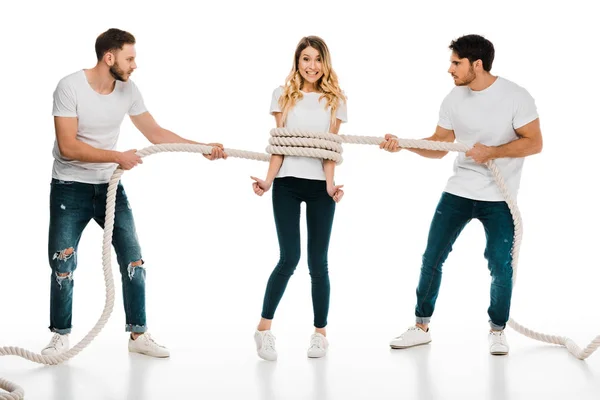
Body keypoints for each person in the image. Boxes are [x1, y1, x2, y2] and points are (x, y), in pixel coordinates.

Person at [42, 28, 226, 358]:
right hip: (70, 188)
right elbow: (68, 147)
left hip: (109, 186)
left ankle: (138, 335)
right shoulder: (69, 87)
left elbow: (155, 132)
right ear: (108, 57)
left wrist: (201, 147)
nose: (134, 65)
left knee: (133, 260)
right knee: (62, 262)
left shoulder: (128, 90)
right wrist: (117, 156)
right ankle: (60, 335)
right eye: (130, 58)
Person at [381, 34, 543, 355]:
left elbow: (534, 142)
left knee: (500, 264)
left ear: (477, 65)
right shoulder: (453, 99)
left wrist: (492, 152)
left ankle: (497, 330)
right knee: (433, 256)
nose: (450, 69)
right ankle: (421, 326)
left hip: (500, 197)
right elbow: (439, 145)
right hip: (459, 191)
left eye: (456, 63)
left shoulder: (516, 96)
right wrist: (404, 144)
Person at [250, 36, 347, 361]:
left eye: (318, 59)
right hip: (288, 185)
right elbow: (280, 144)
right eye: (306, 59)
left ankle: (320, 335)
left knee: (318, 263)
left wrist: (331, 186)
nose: (312, 66)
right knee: (289, 257)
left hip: (320, 188)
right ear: (297, 61)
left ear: (325, 63)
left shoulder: (336, 99)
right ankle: (263, 330)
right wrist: (267, 180)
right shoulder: (283, 96)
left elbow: (330, 150)